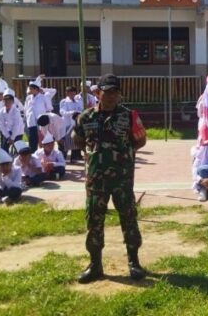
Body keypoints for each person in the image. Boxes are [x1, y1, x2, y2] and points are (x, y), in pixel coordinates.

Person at [73, 74, 147, 284]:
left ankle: (134, 262)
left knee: (129, 218)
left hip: (122, 180)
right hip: (96, 181)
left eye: (115, 92)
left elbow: (140, 140)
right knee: (94, 221)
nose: (112, 96)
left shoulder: (129, 116)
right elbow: (78, 140)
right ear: (98, 93)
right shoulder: (85, 117)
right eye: (107, 92)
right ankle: (95, 265)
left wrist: (121, 155)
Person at [24, 80, 54, 153]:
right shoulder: (28, 98)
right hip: (31, 122)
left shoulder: (44, 97)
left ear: (36, 89)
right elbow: (26, 109)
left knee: (43, 140)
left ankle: (44, 155)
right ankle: (32, 155)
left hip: (41, 122)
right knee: (32, 140)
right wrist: (26, 117)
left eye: (31, 88)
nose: (30, 90)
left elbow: (49, 108)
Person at [59, 86, 84, 163]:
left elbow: (81, 110)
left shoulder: (78, 101)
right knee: (64, 142)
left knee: (74, 141)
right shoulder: (64, 101)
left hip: (75, 124)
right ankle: (62, 158)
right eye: (69, 92)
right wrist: (72, 112)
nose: (71, 94)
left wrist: (78, 113)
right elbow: (62, 112)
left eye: (73, 92)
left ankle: (74, 158)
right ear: (66, 93)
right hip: (66, 124)